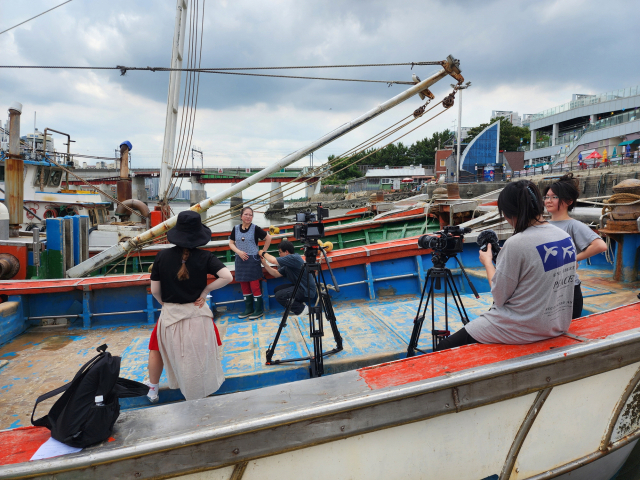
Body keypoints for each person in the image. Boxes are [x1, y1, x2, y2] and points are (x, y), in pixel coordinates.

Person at [435, 180, 576, 351]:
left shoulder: (516, 243)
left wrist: (488, 262)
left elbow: (499, 297)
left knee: (443, 347)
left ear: (509, 213)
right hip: (556, 324)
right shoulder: (563, 236)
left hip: (523, 329)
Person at [147, 210, 233, 402]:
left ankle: (153, 389)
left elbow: (154, 290)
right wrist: (204, 292)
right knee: (199, 357)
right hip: (197, 314)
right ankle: (201, 391)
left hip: (171, 316)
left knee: (158, 349)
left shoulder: (162, 256)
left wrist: (165, 304)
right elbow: (227, 277)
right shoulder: (206, 257)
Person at [544, 173, 607, 319]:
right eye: (547, 197)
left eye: (554, 197)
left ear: (568, 201)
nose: (548, 200)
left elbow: (600, 245)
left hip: (568, 289)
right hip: (547, 288)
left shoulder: (573, 225)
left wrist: (572, 260)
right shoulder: (542, 224)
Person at [229, 207, 272, 320]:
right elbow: (231, 243)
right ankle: (249, 309)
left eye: (250, 215)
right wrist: (238, 252)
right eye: (246, 214)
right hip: (240, 260)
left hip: (252, 260)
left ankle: (258, 310)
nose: (248, 217)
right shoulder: (236, 228)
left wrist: (262, 251)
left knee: (254, 286)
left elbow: (268, 238)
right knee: (244, 285)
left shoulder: (255, 229)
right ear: (241, 216)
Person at [260, 240, 316, 316]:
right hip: (300, 288)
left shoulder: (294, 258)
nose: (279, 254)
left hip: (307, 291)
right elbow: (276, 274)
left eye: (280, 252)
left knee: (280, 295)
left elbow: (273, 261)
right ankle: (300, 305)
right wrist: (265, 264)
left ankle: (302, 309)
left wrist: (263, 253)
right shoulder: (288, 264)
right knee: (277, 290)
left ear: (286, 252)